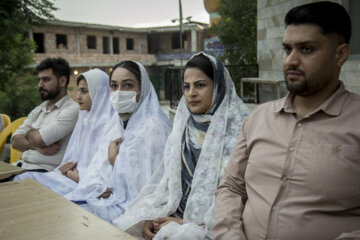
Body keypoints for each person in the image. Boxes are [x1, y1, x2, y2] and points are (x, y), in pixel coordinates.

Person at [212, 2, 360, 240]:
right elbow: (231, 187)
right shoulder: (259, 118)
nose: (291, 60)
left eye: (307, 49)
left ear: (340, 54)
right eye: (287, 49)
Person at [113, 52, 249, 239]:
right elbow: (166, 187)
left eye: (200, 85)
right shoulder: (182, 128)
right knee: (125, 226)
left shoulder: (238, 133)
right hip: (174, 214)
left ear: (218, 86)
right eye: (186, 87)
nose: (191, 93)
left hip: (211, 225)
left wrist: (183, 223)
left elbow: (232, 202)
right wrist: (151, 220)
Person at [64, 60, 172, 223]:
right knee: (65, 210)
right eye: (114, 86)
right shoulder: (115, 123)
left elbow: (150, 187)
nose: (119, 92)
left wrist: (115, 160)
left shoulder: (155, 126)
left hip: (134, 206)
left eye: (128, 86)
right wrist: (97, 186)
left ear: (142, 90)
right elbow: (97, 168)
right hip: (109, 198)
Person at [14, 69, 118, 195]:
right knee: (22, 180)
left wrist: (75, 176)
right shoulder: (85, 118)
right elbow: (72, 160)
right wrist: (65, 170)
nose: (78, 96)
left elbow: (107, 179)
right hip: (71, 177)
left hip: (85, 184)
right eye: (78, 90)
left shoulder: (111, 126)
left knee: (28, 187)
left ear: (99, 93)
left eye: (84, 91)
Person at [11, 58, 79, 171]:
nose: (40, 85)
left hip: (43, 172)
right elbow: (15, 141)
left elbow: (39, 139)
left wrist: (28, 136)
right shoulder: (39, 109)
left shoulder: (72, 109)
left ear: (62, 81)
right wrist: (37, 148)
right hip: (21, 166)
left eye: (46, 79)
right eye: (39, 80)